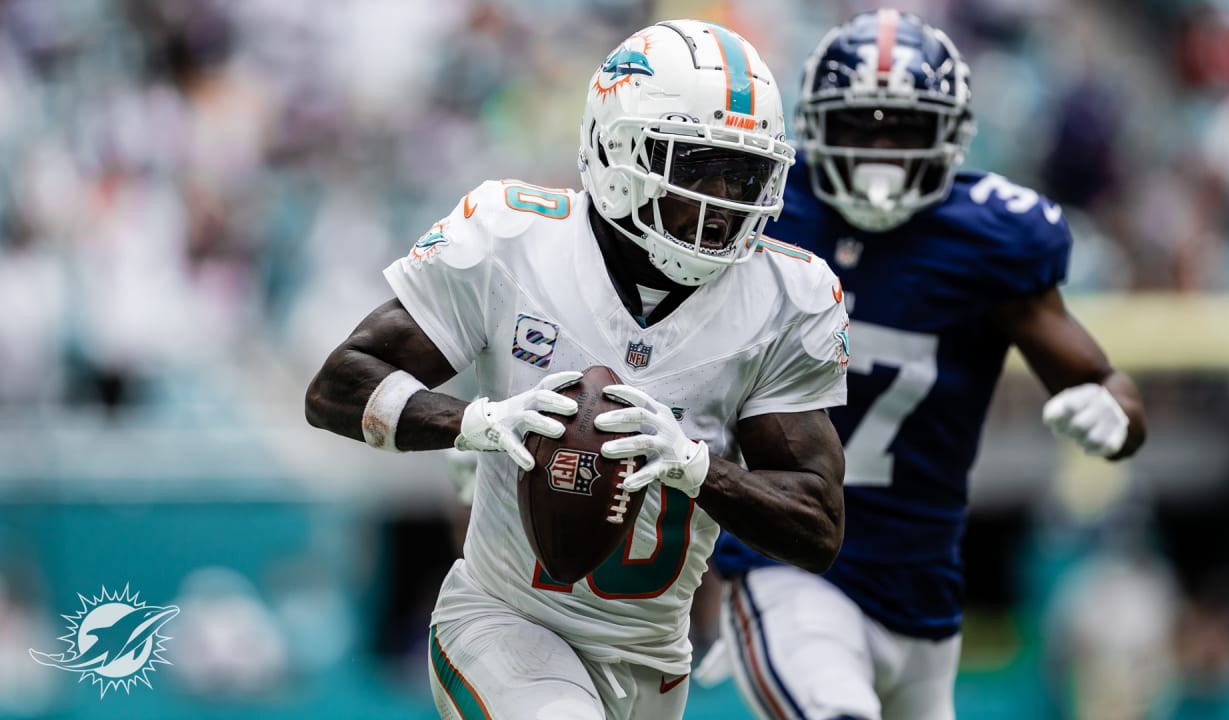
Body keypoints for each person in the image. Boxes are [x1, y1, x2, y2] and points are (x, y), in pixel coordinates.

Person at [304, 19, 851, 720]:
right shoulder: (515, 239)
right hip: (503, 621)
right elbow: (338, 386)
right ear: (616, 149)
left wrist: (694, 466)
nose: (722, 203)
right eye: (694, 166)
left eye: (743, 173)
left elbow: (818, 527)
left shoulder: (786, 297)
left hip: (653, 660)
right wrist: (474, 422)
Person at [710, 9, 1148, 720]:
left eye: (904, 129)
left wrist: (1115, 416)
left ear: (951, 135)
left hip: (924, 592)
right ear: (816, 125)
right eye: (860, 126)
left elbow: (1108, 385)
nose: (881, 152)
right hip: (785, 564)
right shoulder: (763, 213)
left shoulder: (990, 240)